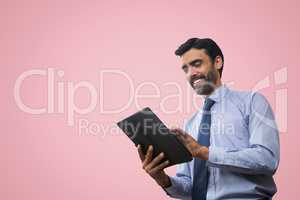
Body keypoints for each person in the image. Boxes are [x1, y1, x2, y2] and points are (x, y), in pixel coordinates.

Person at [137, 38, 280, 200]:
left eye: (197, 64)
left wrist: (204, 152)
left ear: (217, 62)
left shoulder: (252, 102)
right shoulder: (190, 124)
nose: (191, 73)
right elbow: (189, 187)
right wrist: (162, 179)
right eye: (185, 69)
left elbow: (267, 160)